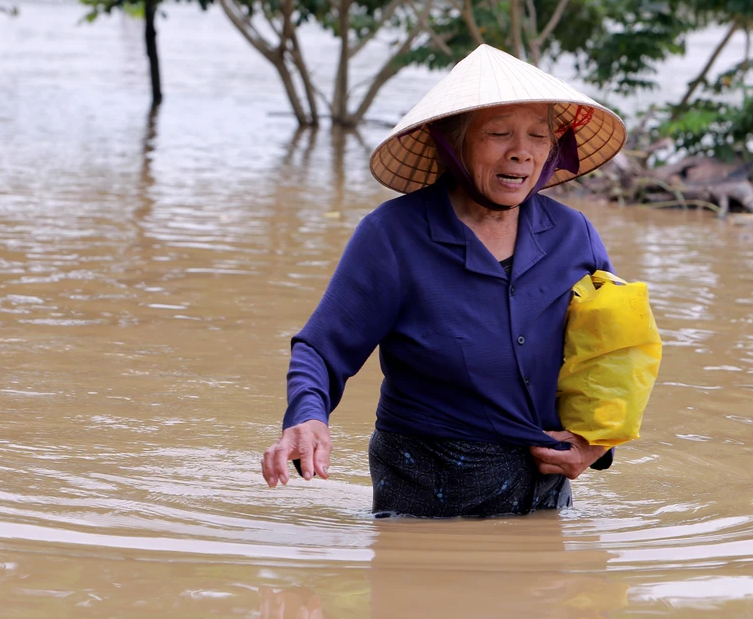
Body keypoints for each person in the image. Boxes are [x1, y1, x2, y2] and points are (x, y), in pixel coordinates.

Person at [261, 44, 628, 518]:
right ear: (452, 144)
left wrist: (594, 443)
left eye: (539, 136)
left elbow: (612, 356)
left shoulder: (573, 234)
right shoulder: (392, 235)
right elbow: (322, 349)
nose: (521, 151)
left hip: (542, 490)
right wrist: (308, 418)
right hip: (423, 484)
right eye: (498, 133)